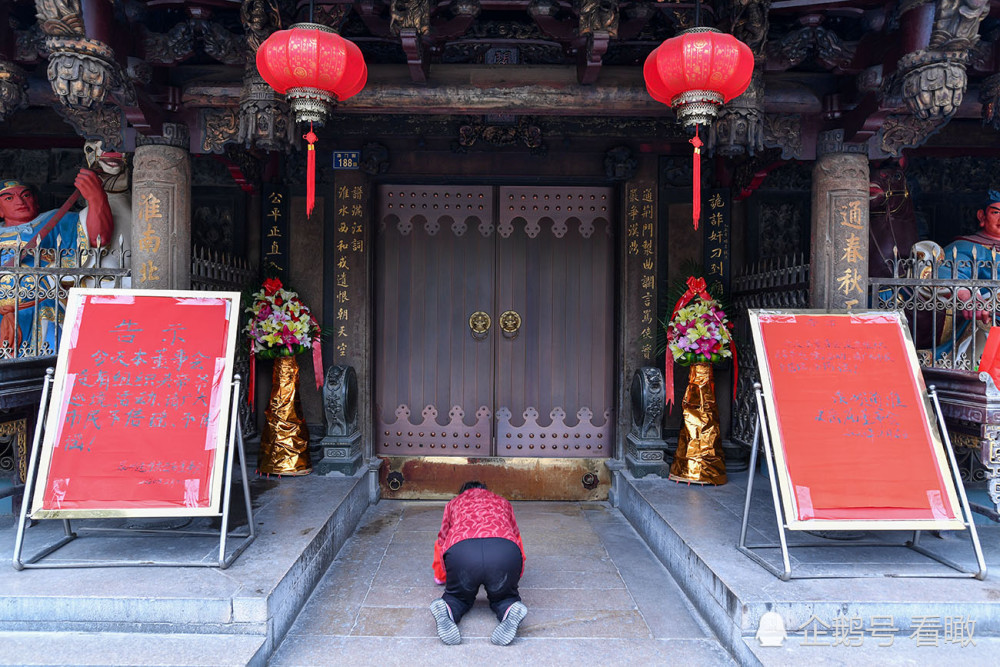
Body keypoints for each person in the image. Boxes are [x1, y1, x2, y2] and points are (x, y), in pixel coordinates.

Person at [0, 168, 112, 356]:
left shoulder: (56, 219)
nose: (20, 201)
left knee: (48, 351)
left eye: (26, 195)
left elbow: (98, 239)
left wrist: (96, 198)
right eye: (9, 198)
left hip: (42, 302)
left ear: (35, 200)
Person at [430, 480, 527, 646]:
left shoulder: (454, 503)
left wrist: (442, 576)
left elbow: (442, 540)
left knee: (457, 597)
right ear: (487, 491)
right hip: (504, 551)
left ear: (462, 492)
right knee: (504, 597)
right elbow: (517, 538)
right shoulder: (502, 502)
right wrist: (514, 576)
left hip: (463, 552)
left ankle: (447, 608)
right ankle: (511, 608)